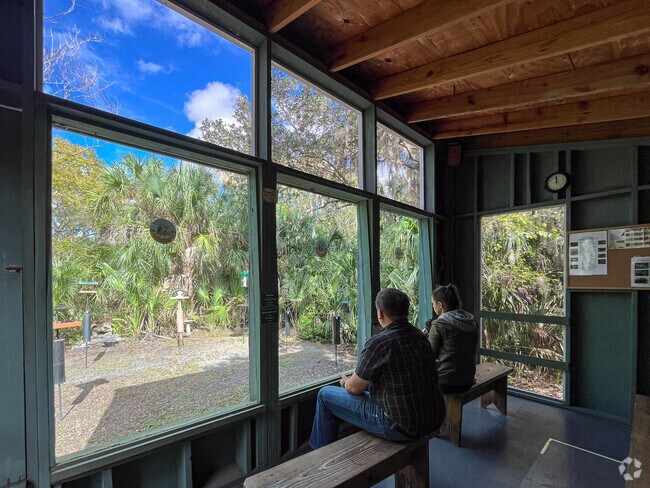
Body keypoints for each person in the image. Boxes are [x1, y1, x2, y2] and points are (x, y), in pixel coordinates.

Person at [309, 288, 445, 449]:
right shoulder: (420, 337)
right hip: (433, 418)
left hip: (401, 427)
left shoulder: (379, 343)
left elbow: (354, 388)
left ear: (380, 314)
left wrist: (346, 383)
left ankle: (318, 455)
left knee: (324, 395)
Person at [425, 284, 479, 395]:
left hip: (446, 382)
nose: (433, 307)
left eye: (433, 304)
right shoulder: (471, 320)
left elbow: (430, 355)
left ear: (440, 305)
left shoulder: (439, 325)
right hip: (468, 379)